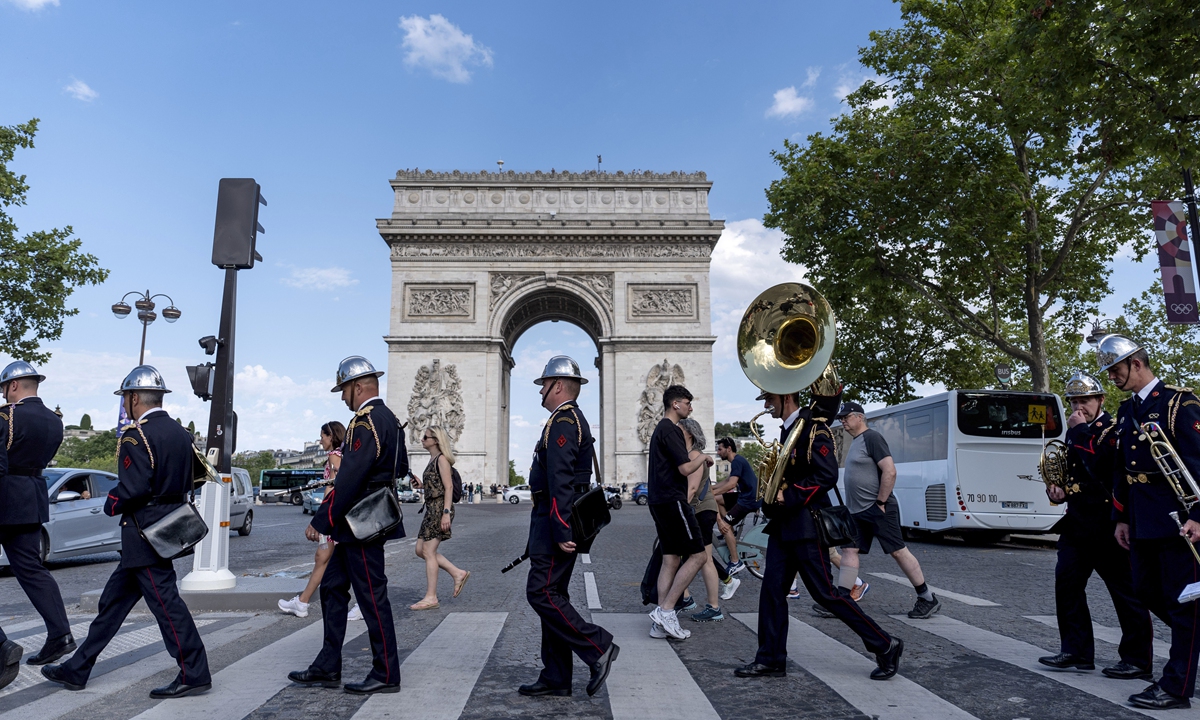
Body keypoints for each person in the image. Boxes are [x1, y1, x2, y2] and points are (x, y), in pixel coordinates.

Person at [42, 366, 211, 698]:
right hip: (168, 526)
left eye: (125, 399)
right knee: (112, 605)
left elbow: (132, 489)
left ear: (134, 398)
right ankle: (77, 669)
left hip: (143, 532)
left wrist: (109, 503)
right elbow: (196, 476)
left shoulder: (137, 435)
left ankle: (194, 672)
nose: (125, 406)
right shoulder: (180, 433)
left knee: (167, 606)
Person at [735, 386, 902, 681]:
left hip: (806, 526)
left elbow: (826, 475)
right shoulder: (791, 430)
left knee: (826, 595)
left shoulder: (814, 428)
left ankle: (885, 644)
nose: (767, 406)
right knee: (772, 592)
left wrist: (791, 495)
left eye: (770, 399)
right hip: (785, 527)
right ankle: (771, 658)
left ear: (786, 397)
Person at [288, 356, 405, 695]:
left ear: (357, 387)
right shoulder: (391, 420)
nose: (342, 398)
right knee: (332, 587)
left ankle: (386, 672)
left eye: (343, 390)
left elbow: (350, 479)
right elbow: (399, 467)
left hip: (360, 524)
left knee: (371, 598)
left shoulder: (365, 422)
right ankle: (327, 665)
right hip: (366, 519)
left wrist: (321, 520)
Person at [1099, 334, 1200, 710]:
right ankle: (1190, 645)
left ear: (1136, 364)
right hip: (1143, 519)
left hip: (1179, 520)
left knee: (1185, 605)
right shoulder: (1127, 410)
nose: (1112, 378)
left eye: (1115, 370)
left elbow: (1199, 464)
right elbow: (1122, 471)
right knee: (1145, 590)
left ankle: (1175, 688)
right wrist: (1121, 518)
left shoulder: (1179, 403)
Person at [1036, 370, 1153, 679]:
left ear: (1101, 400)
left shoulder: (1112, 430)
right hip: (1077, 524)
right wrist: (1057, 490)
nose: (1078, 407)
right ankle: (1076, 651)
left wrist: (1078, 431)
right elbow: (1072, 476)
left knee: (1126, 593)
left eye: (1084, 400)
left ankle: (1137, 660)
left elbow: (1101, 464)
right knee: (1067, 584)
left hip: (1109, 525)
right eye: (1073, 401)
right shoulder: (1078, 430)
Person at [518, 356, 618, 698]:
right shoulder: (569, 419)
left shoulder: (563, 421)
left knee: (541, 592)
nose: (540, 392)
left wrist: (560, 531)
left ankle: (598, 645)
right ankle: (556, 675)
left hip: (556, 520)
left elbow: (560, 481)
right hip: (553, 519)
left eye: (543, 385)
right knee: (554, 593)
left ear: (557, 386)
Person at [835, 402, 939, 619]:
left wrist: (881, 502)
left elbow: (890, 471)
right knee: (849, 550)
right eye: (841, 418)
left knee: (898, 551)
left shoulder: (872, 438)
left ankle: (927, 598)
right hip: (856, 511)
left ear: (859, 417)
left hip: (877, 508)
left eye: (846, 417)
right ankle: (842, 601)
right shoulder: (855, 442)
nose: (842, 421)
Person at [0, 361, 72, 667]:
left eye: (4, 389)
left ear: (13, 385)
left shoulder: (6, 416)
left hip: (4, 497)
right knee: (31, 570)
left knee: (29, 570)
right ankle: (61, 634)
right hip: (32, 497)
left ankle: (2, 647)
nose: (4, 395)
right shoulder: (55, 421)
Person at [647, 385, 716, 641]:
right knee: (698, 556)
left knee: (671, 559)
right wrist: (705, 458)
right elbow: (686, 469)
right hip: (673, 500)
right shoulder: (671, 429)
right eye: (688, 402)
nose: (690, 407)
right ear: (675, 404)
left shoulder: (659, 430)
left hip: (658, 501)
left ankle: (659, 622)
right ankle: (666, 611)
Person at [279, 421, 362, 622]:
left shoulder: (334, 456)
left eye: (322, 436)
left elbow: (334, 486)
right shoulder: (342, 455)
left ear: (331, 436)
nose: (320, 440)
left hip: (334, 516)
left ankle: (304, 602)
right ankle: (303, 601)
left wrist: (323, 513)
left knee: (329, 558)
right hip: (338, 515)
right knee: (326, 559)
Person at [410, 425, 470, 610]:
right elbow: (436, 486)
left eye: (426, 437)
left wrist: (445, 513)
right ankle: (457, 573)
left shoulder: (442, 459)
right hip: (431, 508)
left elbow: (448, 487)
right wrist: (421, 486)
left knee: (428, 552)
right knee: (420, 550)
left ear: (436, 440)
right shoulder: (433, 459)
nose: (422, 440)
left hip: (439, 509)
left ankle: (431, 597)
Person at [680, 418, 724, 622]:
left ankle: (714, 607)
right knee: (691, 556)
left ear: (689, 433)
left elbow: (692, 489)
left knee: (704, 559)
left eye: (679, 430)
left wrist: (678, 510)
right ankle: (685, 597)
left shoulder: (694, 456)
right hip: (702, 510)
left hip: (701, 511)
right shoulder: (693, 456)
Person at [713, 436, 761, 576]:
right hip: (745, 496)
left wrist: (710, 493)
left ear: (729, 449)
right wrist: (711, 489)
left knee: (725, 525)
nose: (718, 452)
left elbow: (731, 484)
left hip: (748, 500)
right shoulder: (737, 461)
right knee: (717, 499)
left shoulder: (737, 462)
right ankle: (731, 533)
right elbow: (727, 481)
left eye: (720, 449)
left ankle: (735, 562)